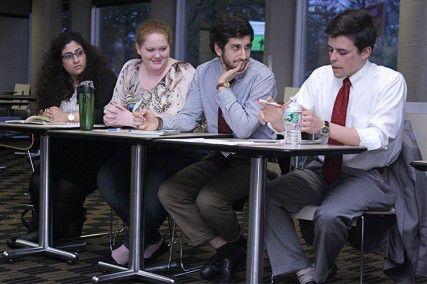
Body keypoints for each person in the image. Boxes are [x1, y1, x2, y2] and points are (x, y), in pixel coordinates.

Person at [259, 9, 407, 284]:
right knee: (263, 196)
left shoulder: (390, 82)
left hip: (369, 175)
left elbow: (378, 137)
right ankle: (300, 268)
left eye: (342, 52)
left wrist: (324, 127)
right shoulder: (320, 77)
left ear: (365, 52)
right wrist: (278, 120)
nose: (333, 58)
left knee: (329, 215)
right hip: (322, 169)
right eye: (330, 50)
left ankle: (321, 275)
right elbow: (294, 115)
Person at [135, 14, 277, 282]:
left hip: (253, 160)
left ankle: (233, 250)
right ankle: (230, 249)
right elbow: (189, 117)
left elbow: (243, 128)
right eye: (236, 48)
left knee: (209, 199)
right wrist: (159, 121)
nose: (244, 55)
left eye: (248, 46)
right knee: (169, 191)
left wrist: (223, 87)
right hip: (219, 157)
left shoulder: (262, 76)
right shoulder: (204, 72)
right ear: (218, 48)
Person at [96, 20, 206, 266]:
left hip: (179, 147)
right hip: (140, 146)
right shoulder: (130, 69)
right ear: (138, 49)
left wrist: (129, 119)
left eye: (163, 49)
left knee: (154, 186)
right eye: (150, 50)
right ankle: (151, 238)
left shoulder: (183, 71)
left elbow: (178, 119)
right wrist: (111, 113)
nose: (158, 56)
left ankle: (131, 244)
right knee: (107, 178)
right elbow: (116, 103)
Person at [8, 31, 117, 246]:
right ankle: (51, 229)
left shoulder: (104, 77)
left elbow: (105, 115)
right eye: (68, 56)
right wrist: (46, 116)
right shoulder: (55, 85)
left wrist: (66, 117)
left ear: (87, 53)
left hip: (94, 153)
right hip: (63, 151)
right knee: (38, 180)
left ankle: (48, 233)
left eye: (79, 53)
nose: (76, 60)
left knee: (66, 187)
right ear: (60, 61)